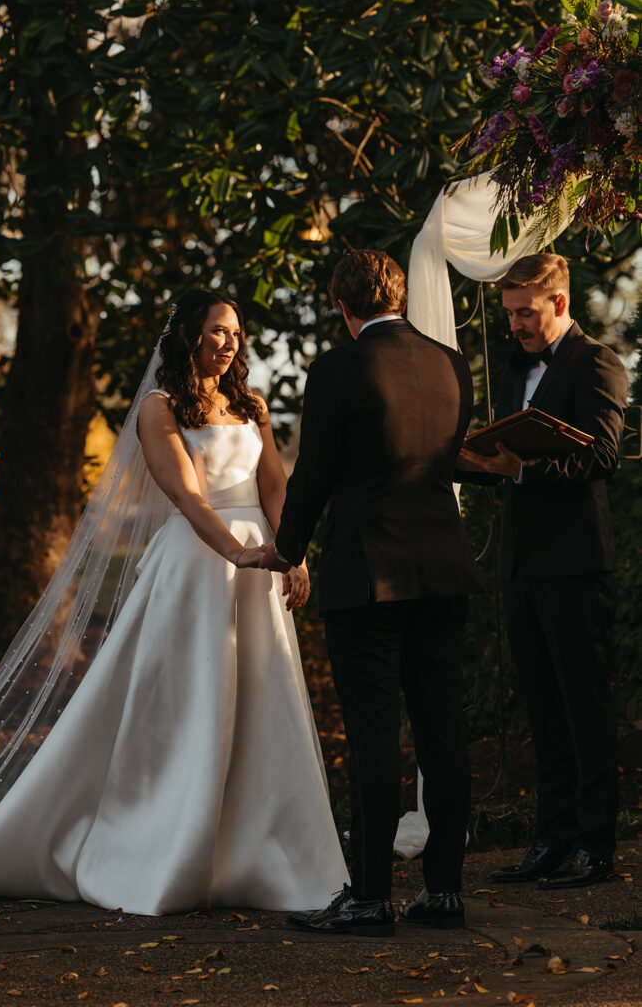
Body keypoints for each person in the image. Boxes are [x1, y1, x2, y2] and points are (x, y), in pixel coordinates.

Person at [0, 289, 349, 915]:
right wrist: (238, 553)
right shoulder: (158, 408)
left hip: (261, 563)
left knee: (262, 703)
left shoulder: (250, 405)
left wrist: (291, 552)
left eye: (236, 331)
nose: (231, 342)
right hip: (199, 564)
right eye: (219, 330)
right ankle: (161, 844)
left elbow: (275, 483)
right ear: (190, 335)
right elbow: (189, 497)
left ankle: (263, 853)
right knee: (193, 701)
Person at [259, 249, 483, 934]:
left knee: (372, 736)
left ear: (341, 305)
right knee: (442, 730)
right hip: (442, 567)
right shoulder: (450, 363)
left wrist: (286, 550)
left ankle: (369, 898)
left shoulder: (338, 368)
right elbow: (444, 459)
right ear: (404, 299)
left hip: (368, 575)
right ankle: (443, 892)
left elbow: (313, 475)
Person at [458, 253, 628, 889]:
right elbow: (509, 453)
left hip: (577, 564)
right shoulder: (512, 366)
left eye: (526, 312)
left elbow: (603, 458)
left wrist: (522, 472)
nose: (517, 325)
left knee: (584, 706)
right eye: (509, 314)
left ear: (559, 303)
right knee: (542, 710)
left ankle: (595, 846)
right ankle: (551, 840)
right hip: (522, 564)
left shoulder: (598, 363)